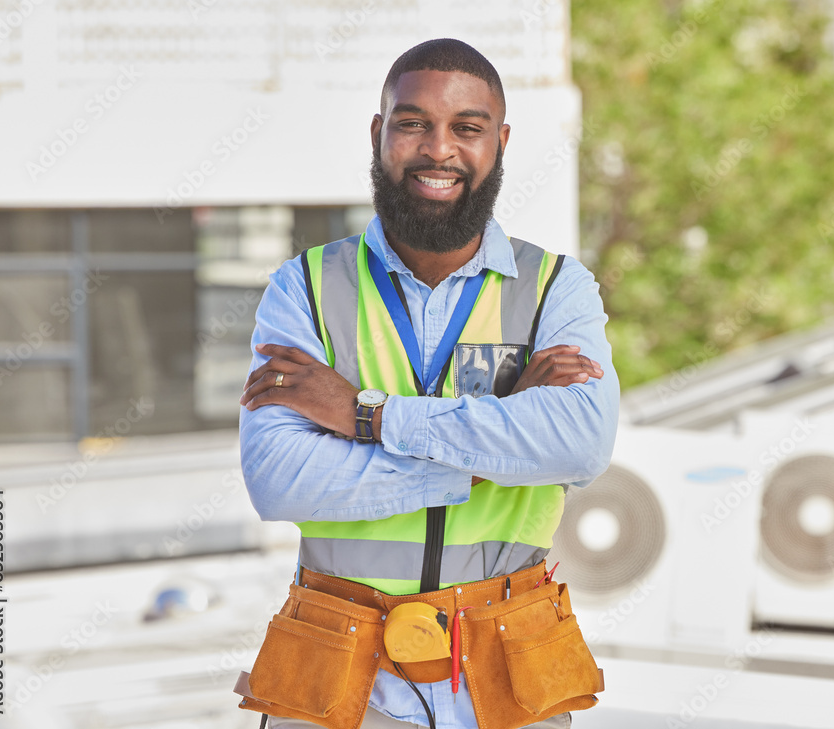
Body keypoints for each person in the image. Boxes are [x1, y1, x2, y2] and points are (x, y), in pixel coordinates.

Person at [237, 38, 618, 729]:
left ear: (499, 143)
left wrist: (365, 415)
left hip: (508, 675)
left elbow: (581, 446)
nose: (438, 150)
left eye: (466, 128)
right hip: (340, 679)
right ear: (380, 134)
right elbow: (278, 478)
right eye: (413, 123)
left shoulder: (558, 288)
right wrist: (491, 448)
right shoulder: (305, 288)